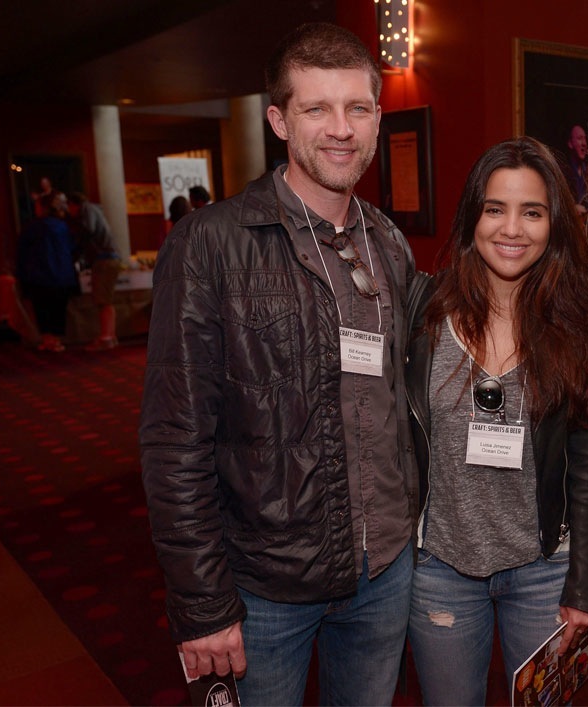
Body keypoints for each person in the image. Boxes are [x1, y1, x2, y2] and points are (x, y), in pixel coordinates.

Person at [139, 23, 418, 706]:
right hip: (264, 587)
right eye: (316, 108)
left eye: (357, 108)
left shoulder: (388, 242)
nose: (341, 128)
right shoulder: (211, 244)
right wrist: (202, 600)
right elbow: (175, 438)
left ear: (378, 120)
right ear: (279, 120)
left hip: (383, 570)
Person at [405, 137, 588, 705]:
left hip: (545, 568)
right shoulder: (425, 315)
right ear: (473, 216)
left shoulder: (576, 324)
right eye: (496, 209)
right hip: (441, 565)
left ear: (554, 225)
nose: (512, 228)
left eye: (533, 212)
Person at [15, 191, 78, 352]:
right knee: (58, 310)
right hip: (62, 275)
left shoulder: (32, 227)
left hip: (38, 275)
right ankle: (54, 340)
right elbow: (73, 249)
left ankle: (48, 339)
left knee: (42, 310)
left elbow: (22, 252)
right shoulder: (64, 226)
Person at [68, 192, 123, 350]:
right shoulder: (95, 210)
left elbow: (88, 230)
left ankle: (106, 337)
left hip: (105, 259)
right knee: (106, 299)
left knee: (102, 300)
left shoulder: (87, 209)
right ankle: (110, 336)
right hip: (109, 258)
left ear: (74, 204)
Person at [562, 124, 588, 216]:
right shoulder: (563, 172)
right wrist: (572, 208)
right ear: (570, 144)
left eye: (584, 139)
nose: (584, 143)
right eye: (579, 138)